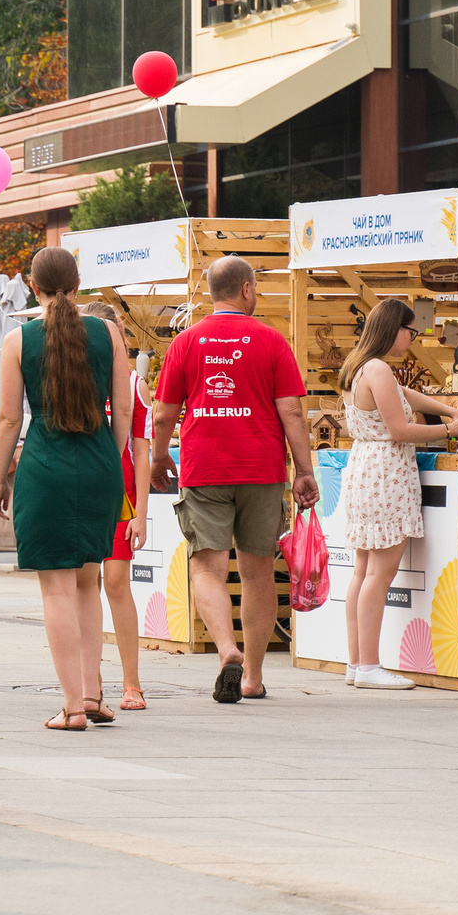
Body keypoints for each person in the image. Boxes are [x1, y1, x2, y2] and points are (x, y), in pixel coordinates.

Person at [151, 254, 318, 704]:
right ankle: (254, 677)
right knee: (257, 571)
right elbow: (292, 411)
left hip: (204, 467)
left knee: (207, 566)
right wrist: (304, 470)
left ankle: (228, 649)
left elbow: (164, 412)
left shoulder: (186, 342)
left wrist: (158, 457)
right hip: (261, 468)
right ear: (246, 289)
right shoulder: (270, 340)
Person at [0, 248, 130, 731]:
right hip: (99, 464)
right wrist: (110, 462)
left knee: (56, 589)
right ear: (77, 283)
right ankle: (93, 694)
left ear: (33, 286)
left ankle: (72, 707)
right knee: (88, 581)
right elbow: (124, 410)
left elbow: (10, 418)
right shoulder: (109, 333)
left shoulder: (18, 340)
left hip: (45, 465)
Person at [336, 299, 457, 691]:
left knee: (362, 572)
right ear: (395, 329)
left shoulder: (360, 367)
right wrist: (450, 430)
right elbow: (401, 428)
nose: (413, 338)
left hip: (364, 470)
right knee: (379, 574)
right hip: (386, 473)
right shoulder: (379, 368)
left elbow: (409, 397)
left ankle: (357, 662)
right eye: (411, 331)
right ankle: (370, 664)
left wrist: (453, 410)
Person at [82, 302, 147, 711]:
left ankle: (132, 683)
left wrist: (141, 513)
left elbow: (141, 450)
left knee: (117, 583)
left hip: (120, 495)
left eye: (115, 330)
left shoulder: (133, 381)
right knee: (83, 585)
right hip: (84, 489)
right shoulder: (76, 375)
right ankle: (92, 680)